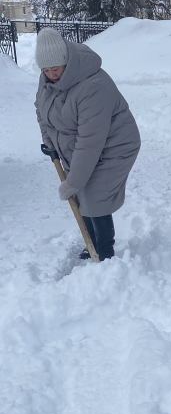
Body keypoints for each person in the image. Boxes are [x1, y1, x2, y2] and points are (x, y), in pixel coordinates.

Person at [34, 27, 141, 260]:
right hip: (79, 145)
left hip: (115, 145)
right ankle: (91, 242)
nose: (51, 74)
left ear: (67, 62)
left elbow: (90, 141)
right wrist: (48, 140)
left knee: (94, 196)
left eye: (56, 68)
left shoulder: (93, 85)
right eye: (46, 69)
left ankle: (103, 253)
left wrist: (73, 182)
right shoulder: (47, 81)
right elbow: (42, 112)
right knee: (81, 194)